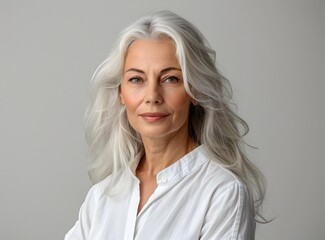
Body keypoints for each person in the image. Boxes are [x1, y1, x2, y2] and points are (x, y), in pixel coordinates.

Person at [65, 10, 266, 240]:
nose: (152, 96)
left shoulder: (223, 193)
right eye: (136, 79)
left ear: (195, 90)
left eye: (170, 79)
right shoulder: (102, 195)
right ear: (121, 92)